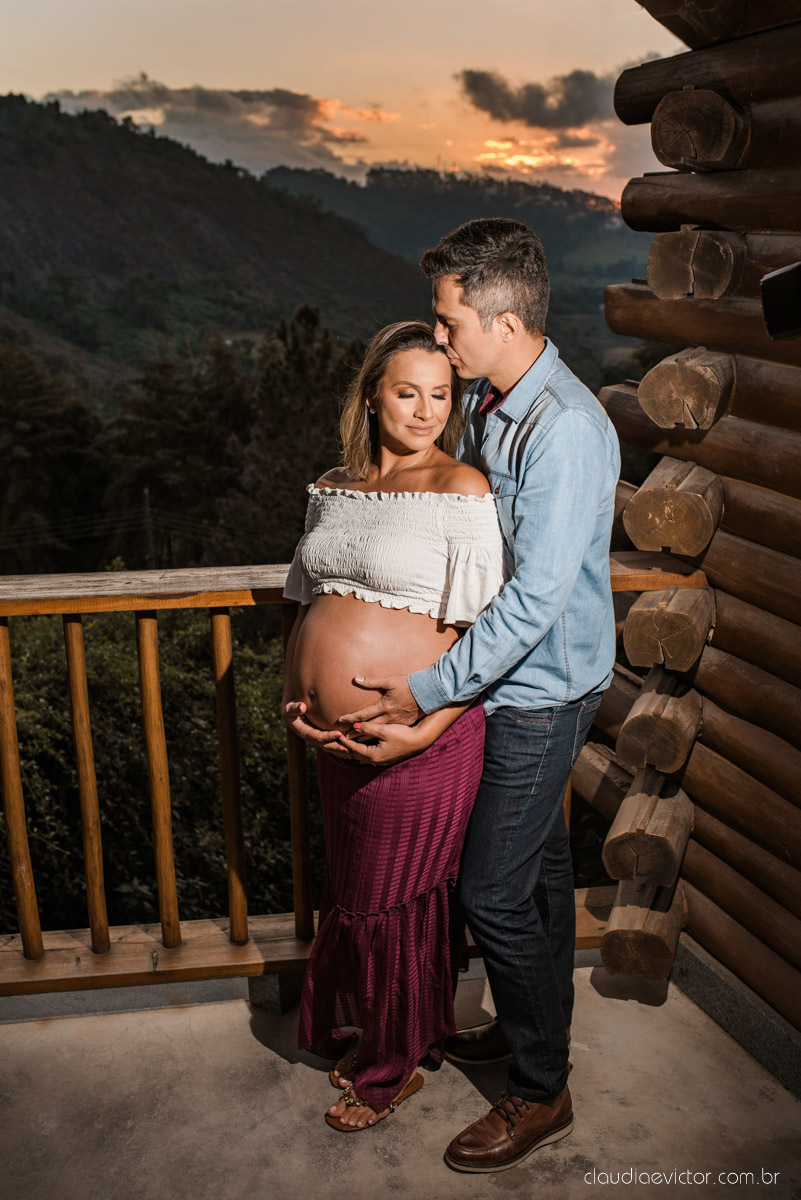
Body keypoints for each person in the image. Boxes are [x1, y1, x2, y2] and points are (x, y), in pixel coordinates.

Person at [327, 218, 621, 1173]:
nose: (440, 338)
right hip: (508, 687)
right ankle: (534, 1038)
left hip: (540, 694)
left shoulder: (566, 429)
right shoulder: (500, 405)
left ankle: (541, 1092)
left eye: (449, 321)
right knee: (534, 880)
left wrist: (425, 690)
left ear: (498, 317)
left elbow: (534, 599)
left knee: (492, 892)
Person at [280, 320, 506, 1132]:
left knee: (389, 903)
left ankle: (390, 1069)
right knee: (355, 893)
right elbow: (305, 601)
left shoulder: (462, 490)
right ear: (372, 395)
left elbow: (486, 637)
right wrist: (297, 696)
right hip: (336, 741)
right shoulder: (334, 485)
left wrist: (428, 727)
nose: (423, 411)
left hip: (421, 741)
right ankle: (388, 1031)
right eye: (406, 392)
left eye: (439, 396)